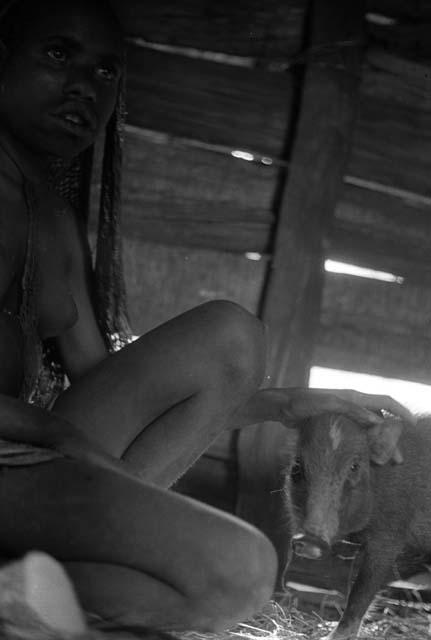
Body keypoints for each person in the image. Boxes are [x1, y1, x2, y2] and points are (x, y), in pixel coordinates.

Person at [0, 0, 413, 635]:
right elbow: (71, 430)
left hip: (30, 464)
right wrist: (63, 442)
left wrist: (284, 405)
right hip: (22, 456)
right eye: (58, 55)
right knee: (241, 569)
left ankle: (32, 584)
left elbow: (112, 387)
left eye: (107, 72)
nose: (84, 83)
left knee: (231, 336)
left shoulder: (51, 217)